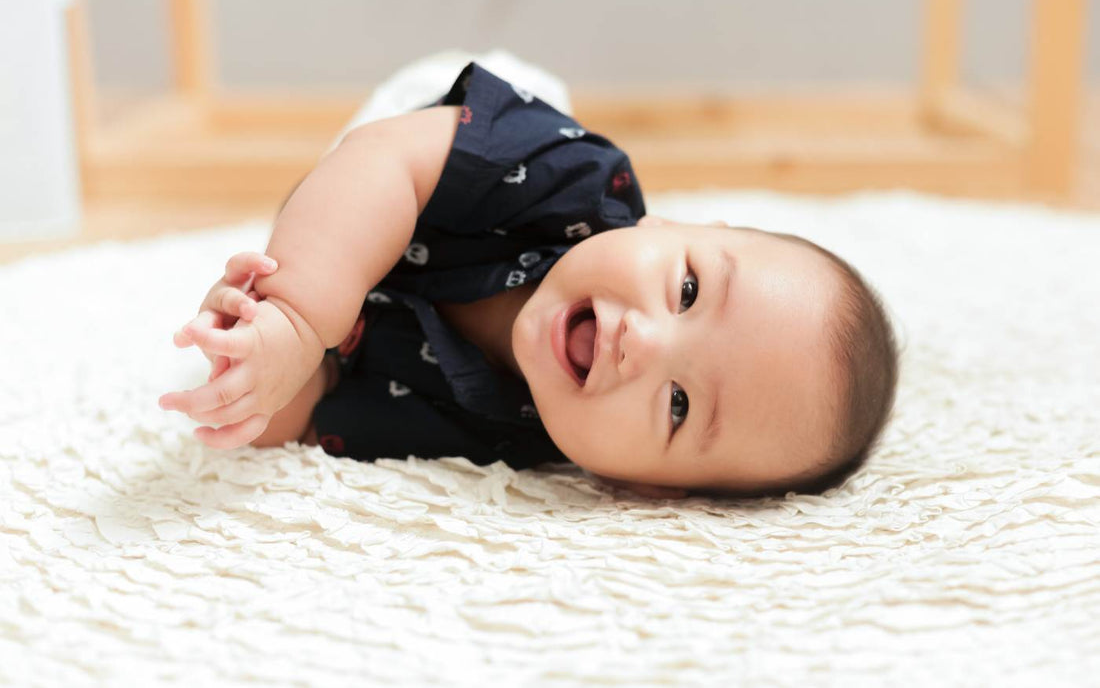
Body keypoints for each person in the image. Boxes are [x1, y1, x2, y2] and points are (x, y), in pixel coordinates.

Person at [158, 51, 899, 500]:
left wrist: (256, 375)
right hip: (424, 150)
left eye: (678, 406)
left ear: (643, 486)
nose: (641, 345)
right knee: (357, 199)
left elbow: (316, 411)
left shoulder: (509, 440)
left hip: (374, 299)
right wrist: (293, 315)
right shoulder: (571, 182)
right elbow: (383, 160)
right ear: (677, 227)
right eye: (687, 292)